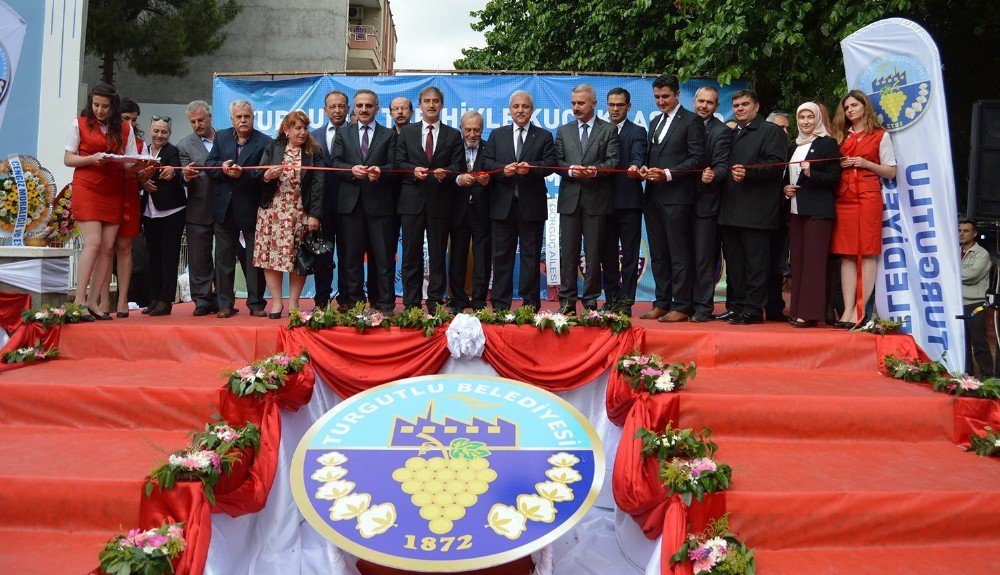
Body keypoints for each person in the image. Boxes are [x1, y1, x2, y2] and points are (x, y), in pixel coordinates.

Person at [63, 82, 144, 321]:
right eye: (96, 105)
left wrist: (143, 164)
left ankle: (94, 302)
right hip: (87, 187)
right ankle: (78, 301)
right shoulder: (78, 124)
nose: (99, 110)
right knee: (95, 243)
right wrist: (91, 159)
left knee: (108, 247)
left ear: (113, 106)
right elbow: (68, 158)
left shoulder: (125, 128)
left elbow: (129, 162)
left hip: (114, 190)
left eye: (104, 106)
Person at [716, 89, 787, 325]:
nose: (739, 108)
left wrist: (750, 172)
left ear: (756, 107)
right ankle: (735, 307)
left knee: (756, 264)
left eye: (745, 104)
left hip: (757, 211)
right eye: (735, 105)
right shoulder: (731, 132)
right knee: (734, 265)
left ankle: (753, 310)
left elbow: (777, 165)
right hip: (730, 209)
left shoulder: (771, 130)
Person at [638, 74, 705, 323]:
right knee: (659, 254)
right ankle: (662, 303)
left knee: (679, 254)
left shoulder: (691, 121)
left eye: (665, 96)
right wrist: (644, 169)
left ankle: (683, 304)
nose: (661, 101)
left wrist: (666, 174)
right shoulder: (654, 121)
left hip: (678, 199)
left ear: (677, 94)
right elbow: (651, 156)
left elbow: (697, 159)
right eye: (656, 97)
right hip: (653, 198)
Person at [482, 90, 556, 311]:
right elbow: (486, 164)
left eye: (525, 107)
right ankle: (500, 304)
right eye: (516, 106)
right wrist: (502, 171)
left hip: (531, 207)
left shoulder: (544, 136)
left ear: (532, 111)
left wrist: (531, 170)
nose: (520, 110)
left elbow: (551, 164)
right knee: (501, 257)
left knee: (530, 257)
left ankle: (530, 304)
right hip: (502, 207)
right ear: (510, 110)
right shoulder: (497, 135)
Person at [829, 89, 897, 327]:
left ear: (864, 107)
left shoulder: (880, 135)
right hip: (843, 198)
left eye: (854, 106)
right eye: (846, 107)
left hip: (868, 197)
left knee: (866, 252)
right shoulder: (840, 136)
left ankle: (860, 311)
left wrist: (865, 163)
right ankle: (847, 311)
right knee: (847, 254)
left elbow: (891, 171)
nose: (850, 110)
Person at [395, 86, 464, 312]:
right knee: (410, 256)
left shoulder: (453, 134)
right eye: (427, 101)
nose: (431, 105)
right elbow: (398, 163)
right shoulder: (407, 132)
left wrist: (447, 172)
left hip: (440, 202)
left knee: (437, 255)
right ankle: (411, 302)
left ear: (442, 105)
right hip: (411, 202)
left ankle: (435, 300)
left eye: (435, 101)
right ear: (420, 105)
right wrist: (412, 171)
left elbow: (458, 167)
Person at [331, 89, 398, 313]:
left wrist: (381, 172)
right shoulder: (344, 133)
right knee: (351, 259)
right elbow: (335, 164)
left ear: (377, 109)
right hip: (351, 207)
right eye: (359, 105)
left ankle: (385, 303)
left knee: (383, 258)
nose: (364, 109)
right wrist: (351, 170)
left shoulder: (389, 135)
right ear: (354, 108)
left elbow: (394, 166)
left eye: (368, 105)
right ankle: (355, 303)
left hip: (380, 206)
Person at [554, 83, 619, 313]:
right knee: (569, 253)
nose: (576, 107)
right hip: (570, 201)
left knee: (593, 255)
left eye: (581, 103)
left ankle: (590, 299)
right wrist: (571, 170)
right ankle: (567, 301)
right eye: (573, 103)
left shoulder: (608, 130)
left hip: (596, 200)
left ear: (594, 103)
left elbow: (613, 162)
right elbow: (557, 163)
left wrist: (595, 170)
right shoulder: (563, 131)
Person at [204, 99, 272, 318]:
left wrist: (243, 174)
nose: (243, 120)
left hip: (251, 209)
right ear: (231, 118)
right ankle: (225, 304)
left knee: (254, 260)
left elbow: (264, 176)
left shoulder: (265, 141)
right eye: (239, 117)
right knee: (223, 259)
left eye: (247, 116)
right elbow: (209, 165)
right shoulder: (221, 137)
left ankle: (256, 304)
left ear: (253, 117)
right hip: (224, 208)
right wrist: (222, 168)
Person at [253, 110, 324, 318]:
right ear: (286, 130)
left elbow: (319, 185)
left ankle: (293, 303)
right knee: (270, 258)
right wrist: (266, 176)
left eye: (305, 128)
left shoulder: (314, 151)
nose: (303, 133)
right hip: (272, 211)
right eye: (298, 128)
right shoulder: (273, 147)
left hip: (299, 210)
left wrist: (314, 215)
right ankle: (276, 303)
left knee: (297, 258)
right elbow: (258, 175)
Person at [782, 102, 842, 327]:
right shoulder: (792, 146)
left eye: (809, 117)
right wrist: (785, 189)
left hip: (818, 211)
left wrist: (812, 173)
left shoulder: (827, 143)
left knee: (814, 263)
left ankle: (810, 313)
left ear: (817, 119)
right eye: (801, 117)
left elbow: (834, 178)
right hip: (796, 210)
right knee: (797, 261)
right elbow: (787, 177)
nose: (805, 122)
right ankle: (797, 309)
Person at [601, 87, 647, 317]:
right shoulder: (600, 130)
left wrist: (636, 166)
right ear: (606, 105)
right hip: (603, 203)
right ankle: (611, 298)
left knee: (629, 254)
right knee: (607, 254)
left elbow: (639, 154)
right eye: (612, 104)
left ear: (628, 106)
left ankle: (627, 301)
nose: (615, 109)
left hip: (629, 202)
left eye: (620, 105)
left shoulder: (637, 131)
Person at [137, 116, 187, 316]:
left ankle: (166, 301)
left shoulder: (172, 151)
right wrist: (141, 180)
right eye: (156, 131)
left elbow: (174, 171)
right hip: (149, 212)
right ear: (150, 131)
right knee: (153, 257)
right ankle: (154, 298)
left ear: (169, 134)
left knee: (169, 257)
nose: (159, 135)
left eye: (164, 132)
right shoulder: (143, 151)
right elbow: (137, 173)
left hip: (171, 212)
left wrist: (167, 173)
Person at [691, 86, 732, 323]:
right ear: (694, 101)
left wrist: (712, 175)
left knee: (704, 258)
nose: (704, 106)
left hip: (707, 204)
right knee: (683, 257)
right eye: (700, 100)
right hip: (680, 203)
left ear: (717, 106)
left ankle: (703, 307)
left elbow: (722, 166)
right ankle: (684, 304)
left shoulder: (721, 131)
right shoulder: (685, 123)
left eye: (709, 102)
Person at [100, 97, 143, 318]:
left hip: (130, 194)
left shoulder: (140, 142)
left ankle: (124, 300)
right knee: (105, 248)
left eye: (134, 120)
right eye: (126, 118)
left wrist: (146, 170)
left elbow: (140, 172)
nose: (131, 123)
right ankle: (105, 299)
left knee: (125, 247)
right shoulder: (108, 135)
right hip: (108, 192)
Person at [448, 110, 492, 312]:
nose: (472, 134)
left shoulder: (490, 148)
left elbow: (496, 172)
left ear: (482, 130)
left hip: (483, 211)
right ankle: (457, 299)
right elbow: (446, 171)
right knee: (457, 255)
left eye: (477, 129)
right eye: (468, 129)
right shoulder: (453, 148)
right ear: (461, 129)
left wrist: (488, 179)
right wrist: (458, 179)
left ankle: (479, 299)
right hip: (458, 210)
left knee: (482, 256)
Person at [178, 100, 219, 316]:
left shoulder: (227, 138)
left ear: (210, 117)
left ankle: (222, 297)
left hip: (225, 208)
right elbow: (182, 176)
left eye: (200, 120)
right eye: (193, 121)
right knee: (198, 257)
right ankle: (202, 299)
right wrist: (186, 176)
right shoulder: (184, 145)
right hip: (198, 207)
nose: (197, 124)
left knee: (224, 256)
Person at [311, 89, 349, 310]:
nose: (337, 110)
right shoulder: (313, 136)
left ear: (348, 109)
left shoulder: (355, 134)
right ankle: (321, 301)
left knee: (347, 255)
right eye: (332, 106)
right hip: (321, 208)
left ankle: (345, 299)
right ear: (325, 110)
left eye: (341, 106)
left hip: (348, 206)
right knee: (322, 256)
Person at [959, 219, 994, 377]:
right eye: (960, 230)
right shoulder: (954, 251)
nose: (961, 234)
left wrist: (948, 273)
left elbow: (971, 276)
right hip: (957, 303)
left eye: (966, 231)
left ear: (974, 234)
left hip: (975, 304)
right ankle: (967, 375)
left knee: (979, 342)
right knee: (962, 343)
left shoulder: (982, 254)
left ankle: (987, 376)